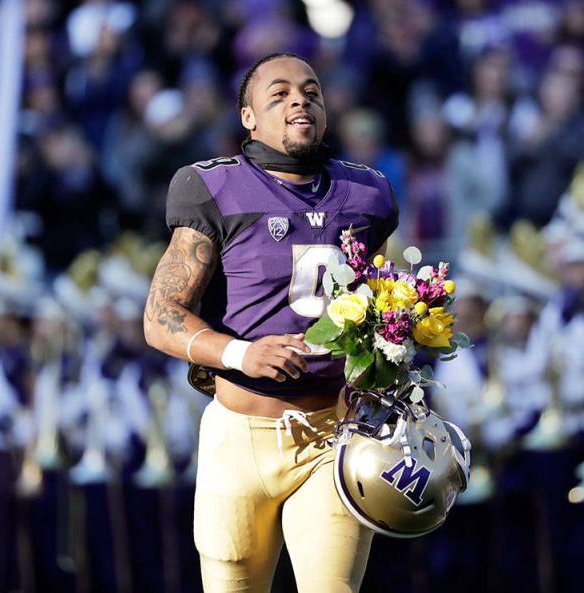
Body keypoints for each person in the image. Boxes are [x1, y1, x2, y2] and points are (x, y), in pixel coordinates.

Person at [142, 53, 398, 592]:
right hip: (240, 436)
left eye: (311, 91)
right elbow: (161, 317)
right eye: (279, 93)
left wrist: (387, 369)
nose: (299, 100)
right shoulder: (214, 187)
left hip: (332, 434)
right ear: (248, 116)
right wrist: (242, 353)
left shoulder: (368, 193)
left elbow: (386, 307)